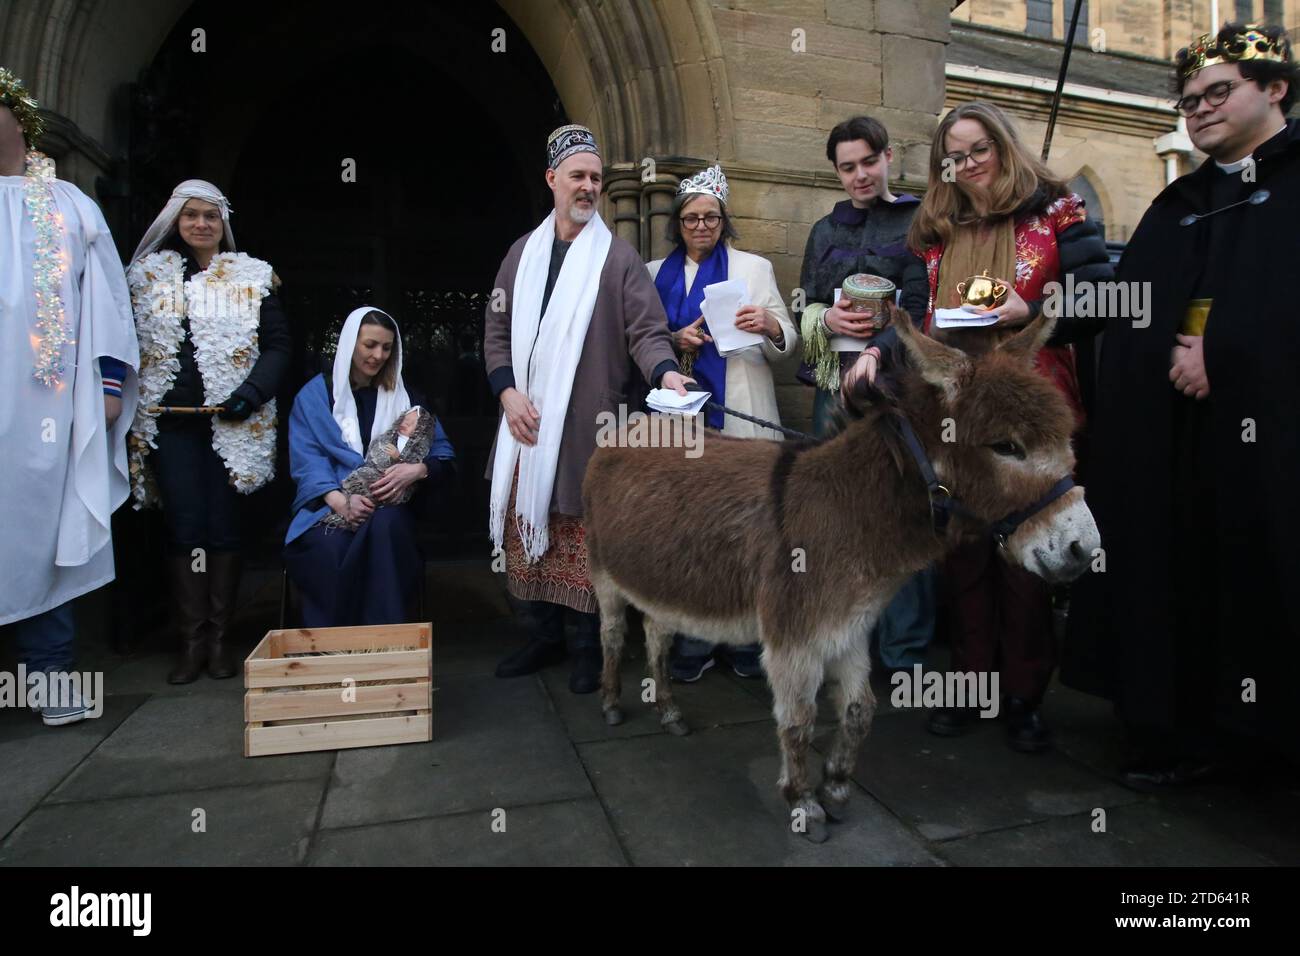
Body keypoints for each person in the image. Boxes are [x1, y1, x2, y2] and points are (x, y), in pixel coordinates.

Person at [1063, 22, 1300, 788]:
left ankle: (1270, 741)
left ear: (1276, 89)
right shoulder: (1180, 202)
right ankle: (1185, 730)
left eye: (1218, 92)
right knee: (1180, 574)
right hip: (1179, 439)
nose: (1199, 109)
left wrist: (1223, 353)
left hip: (1271, 443)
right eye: (1189, 100)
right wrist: (1159, 343)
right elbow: (1134, 299)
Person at [847, 100, 1112, 752]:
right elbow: (915, 312)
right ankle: (970, 686)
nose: (966, 166)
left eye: (978, 151)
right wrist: (878, 350)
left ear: (1003, 145)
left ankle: (1023, 695)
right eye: (954, 157)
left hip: (1030, 406)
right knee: (964, 551)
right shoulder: (935, 230)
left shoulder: (1058, 211)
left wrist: (1034, 306)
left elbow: (1103, 295)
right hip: (955, 413)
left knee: (1027, 554)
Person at [486, 124, 691, 694]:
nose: (589, 187)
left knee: (583, 536)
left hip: (589, 428)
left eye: (597, 178)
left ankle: (586, 647)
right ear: (552, 179)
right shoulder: (520, 255)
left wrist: (665, 370)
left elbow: (646, 330)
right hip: (525, 423)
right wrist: (507, 392)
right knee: (531, 531)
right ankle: (542, 636)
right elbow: (496, 332)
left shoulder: (618, 259)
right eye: (578, 176)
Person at [0, 69, 139, 725]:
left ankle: (49, 680)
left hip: (48, 407)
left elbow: (105, 298)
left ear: (20, 122)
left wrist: (108, 384)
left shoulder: (66, 204)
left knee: (48, 533)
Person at [127, 180, 291, 683]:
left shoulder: (253, 276)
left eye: (211, 216)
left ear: (223, 223)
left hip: (232, 422)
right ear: (176, 220)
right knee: (185, 528)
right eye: (191, 215)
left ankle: (219, 641)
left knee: (222, 528)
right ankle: (191, 642)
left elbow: (278, 346)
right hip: (171, 424)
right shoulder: (148, 278)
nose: (201, 224)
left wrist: (250, 393)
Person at [645, 163, 798, 680]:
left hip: (741, 410)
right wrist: (673, 339)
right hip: (679, 419)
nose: (702, 226)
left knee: (746, 528)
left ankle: (746, 639)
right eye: (691, 218)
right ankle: (695, 638)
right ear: (677, 223)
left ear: (723, 220)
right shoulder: (652, 273)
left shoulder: (754, 269)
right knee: (686, 528)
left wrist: (770, 324)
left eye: (711, 217)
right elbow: (639, 340)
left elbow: (789, 341)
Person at [797, 115, 936, 681]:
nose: (859, 175)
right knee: (834, 512)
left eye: (868, 162)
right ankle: (842, 638)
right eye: (847, 167)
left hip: (898, 390)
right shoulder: (823, 230)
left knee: (904, 511)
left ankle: (905, 655)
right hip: (834, 387)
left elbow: (923, 307)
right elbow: (807, 299)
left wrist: (879, 350)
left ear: (888, 157)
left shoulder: (919, 222)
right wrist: (825, 318)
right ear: (836, 171)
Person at [285, 308, 455, 626]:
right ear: (350, 344)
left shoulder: (407, 398)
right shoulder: (315, 395)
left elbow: (442, 452)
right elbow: (307, 458)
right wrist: (340, 501)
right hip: (329, 507)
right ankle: (334, 643)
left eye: (387, 348)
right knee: (329, 547)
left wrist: (417, 471)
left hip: (389, 506)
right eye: (370, 345)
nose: (378, 355)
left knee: (386, 529)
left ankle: (385, 640)